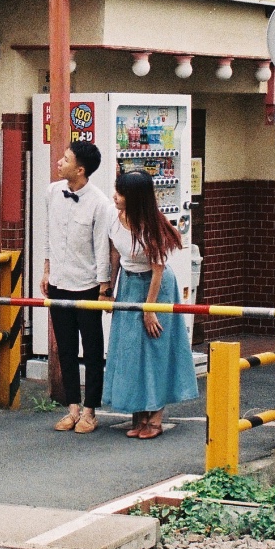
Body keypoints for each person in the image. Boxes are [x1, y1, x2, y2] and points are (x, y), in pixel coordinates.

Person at [102, 169, 197, 439]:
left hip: (156, 287)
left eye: (120, 193)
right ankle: (138, 414)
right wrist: (108, 289)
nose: (115, 197)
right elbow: (114, 254)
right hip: (129, 284)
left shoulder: (152, 226)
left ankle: (155, 416)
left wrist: (150, 309)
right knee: (129, 348)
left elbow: (157, 270)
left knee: (155, 347)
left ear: (135, 198)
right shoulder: (115, 217)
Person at [42, 138, 114, 435]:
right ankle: (72, 408)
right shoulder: (52, 192)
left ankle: (90, 410)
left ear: (80, 169)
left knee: (93, 349)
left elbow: (102, 247)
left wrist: (103, 287)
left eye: (66, 159)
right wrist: (46, 270)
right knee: (66, 348)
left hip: (86, 285)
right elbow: (48, 232)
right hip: (59, 281)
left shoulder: (100, 203)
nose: (60, 162)